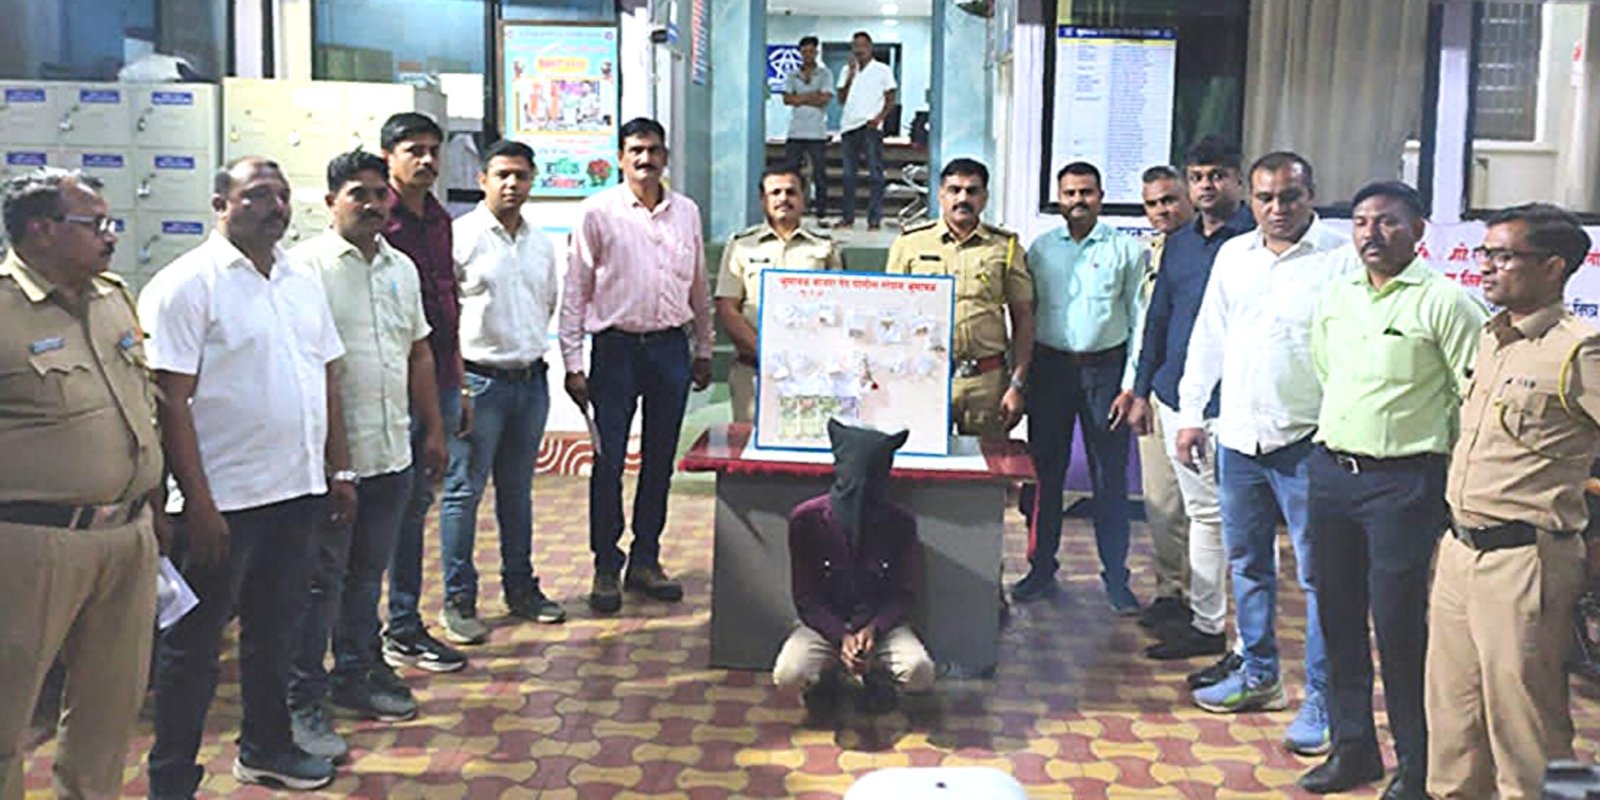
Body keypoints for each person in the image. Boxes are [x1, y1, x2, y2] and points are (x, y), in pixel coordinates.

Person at [141, 157, 351, 793]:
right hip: (220, 504)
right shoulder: (186, 285)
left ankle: (266, 748)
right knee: (193, 648)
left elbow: (326, 376)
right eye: (257, 194)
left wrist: (338, 468)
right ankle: (172, 777)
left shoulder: (299, 278)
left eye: (282, 195)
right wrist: (198, 503)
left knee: (275, 634)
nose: (274, 207)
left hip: (296, 492)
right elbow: (170, 402)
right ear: (220, 205)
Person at [1296, 181, 1485, 798]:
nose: (1371, 234)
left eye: (1387, 222)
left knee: (1399, 627)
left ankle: (1418, 766)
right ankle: (1353, 750)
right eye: (1360, 222)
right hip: (1332, 475)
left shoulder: (1445, 302)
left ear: (1418, 230)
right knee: (1337, 619)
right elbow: (1327, 371)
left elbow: (1474, 396)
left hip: (1403, 484)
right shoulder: (1337, 296)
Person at [1175, 151, 1350, 757]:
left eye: (1290, 196)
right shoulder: (1234, 255)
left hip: (1309, 442)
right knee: (1247, 564)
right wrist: (1191, 414)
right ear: (1250, 199)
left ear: (1312, 196)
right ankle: (1259, 675)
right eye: (1266, 197)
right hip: (1239, 440)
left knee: (1321, 576)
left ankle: (1324, 698)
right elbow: (1208, 337)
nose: (1277, 209)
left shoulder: (1341, 259)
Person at [1426, 203, 1600, 800]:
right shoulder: (1491, 336)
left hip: (1526, 561)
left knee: (1529, 727)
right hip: (1459, 551)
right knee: (1453, 720)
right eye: (1485, 253)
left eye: (1504, 256)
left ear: (1553, 267)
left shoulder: (1581, 350)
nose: (1487, 267)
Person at [0, 169, 164, 799]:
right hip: (32, 546)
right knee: (7, 712)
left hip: (128, 536)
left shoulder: (112, 297)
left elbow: (144, 407)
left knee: (109, 709)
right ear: (41, 230)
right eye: (95, 224)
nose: (110, 235)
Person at [287, 150, 449, 759]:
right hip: (331, 461)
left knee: (365, 577)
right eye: (359, 193)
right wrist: (334, 463)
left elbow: (419, 352)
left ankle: (356, 671)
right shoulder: (304, 268)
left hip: (391, 450)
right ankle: (302, 698)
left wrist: (433, 430)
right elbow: (305, 367)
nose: (373, 204)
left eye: (381, 194)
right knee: (318, 583)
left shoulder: (399, 266)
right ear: (331, 201)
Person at [560, 117, 714, 614]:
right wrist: (572, 362)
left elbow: (699, 285)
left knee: (659, 459)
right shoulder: (596, 212)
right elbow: (576, 289)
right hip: (615, 351)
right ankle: (606, 564)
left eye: (654, 150)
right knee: (608, 462)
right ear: (621, 158)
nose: (646, 159)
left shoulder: (686, 212)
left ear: (665, 156)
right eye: (636, 151)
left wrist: (704, 348)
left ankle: (646, 559)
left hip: (670, 350)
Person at [1125, 137, 1255, 677]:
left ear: (1238, 181)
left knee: (1232, 522)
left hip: (1236, 403)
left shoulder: (1254, 242)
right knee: (1196, 515)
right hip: (1176, 396)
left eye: (1217, 175)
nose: (1206, 185)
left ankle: (1239, 636)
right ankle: (1202, 621)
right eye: (1198, 176)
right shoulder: (1178, 244)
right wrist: (1140, 389)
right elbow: (1156, 321)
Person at [437, 139, 566, 645]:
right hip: (478, 383)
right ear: (482, 180)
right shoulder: (460, 237)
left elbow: (547, 303)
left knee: (517, 491)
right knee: (463, 492)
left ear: (532, 181)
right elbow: (445, 317)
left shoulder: (541, 243)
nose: (512, 184)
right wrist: (458, 386)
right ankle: (458, 599)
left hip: (530, 382)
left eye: (521, 175)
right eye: (502, 175)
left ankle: (521, 588)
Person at [1014, 161, 1146, 614]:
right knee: (1045, 476)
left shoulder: (1125, 249)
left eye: (1086, 192)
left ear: (1101, 196)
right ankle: (1040, 568)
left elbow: (1139, 319)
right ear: (1058, 198)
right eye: (1069, 193)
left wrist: (1129, 386)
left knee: (1109, 480)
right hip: (1050, 371)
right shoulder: (1041, 249)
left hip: (1105, 373)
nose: (1077, 201)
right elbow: (1026, 316)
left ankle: (1116, 579)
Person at [377, 112, 470, 674]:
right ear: (387, 156)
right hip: (389, 387)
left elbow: (446, 310)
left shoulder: (438, 220)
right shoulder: (378, 221)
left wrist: (457, 384)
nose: (428, 160)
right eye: (415, 149)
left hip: (438, 380)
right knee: (386, 509)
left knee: (416, 504)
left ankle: (404, 624)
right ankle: (379, 632)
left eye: (435, 149)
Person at [773, 419, 935, 715]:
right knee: (789, 674)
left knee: (919, 672)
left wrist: (874, 629)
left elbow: (903, 593)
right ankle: (827, 676)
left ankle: (877, 677)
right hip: (824, 627)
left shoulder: (900, 523)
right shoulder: (806, 520)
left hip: (880, 628)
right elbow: (806, 598)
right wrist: (841, 636)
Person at [885, 158, 1032, 438]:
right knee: (921, 458)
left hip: (986, 382)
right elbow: (891, 314)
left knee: (985, 460)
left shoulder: (1005, 247)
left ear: (984, 197)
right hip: (925, 376)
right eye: (954, 190)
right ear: (940, 194)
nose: (963, 198)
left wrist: (1016, 384)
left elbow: (1023, 317)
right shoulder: (910, 244)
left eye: (972, 191)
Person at [716, 166, 844, 422]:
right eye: (775, 193)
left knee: (805, 440)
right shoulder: (742, 245)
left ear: (803, 199)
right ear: (763, 200)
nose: (783, 198)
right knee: (750, 441)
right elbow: (727, 307)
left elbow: (838, 307)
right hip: (754, 368)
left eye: (791, 192)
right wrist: (764, 351)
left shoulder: (825, 247)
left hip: (811, 372)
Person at [1131, 164, 1195, 634]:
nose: (1162, 211)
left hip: (1200, 398)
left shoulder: (1216, 250)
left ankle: (1199, 601)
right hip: (1156, 390)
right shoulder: (1150, 253)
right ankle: (1169, 590)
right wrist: (1138, 390)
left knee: (1200, 509)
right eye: (1153, 204)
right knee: (1161, 503)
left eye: (1170, 200)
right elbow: (1146, 327)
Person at [834, 31, 897, 232]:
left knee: (875, 175)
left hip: (870, 127)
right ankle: (847, 218)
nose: (858, 50)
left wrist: (879, 118)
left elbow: (891, 98)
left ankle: (874, 220)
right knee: (848, 175)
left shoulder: (882, 70)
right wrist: (851, 76)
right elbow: (841, 99)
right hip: (849, 127)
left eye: (862, 45)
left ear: (870, 47)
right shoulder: (846, 70)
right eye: (855, 46)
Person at [782, 36, 834, 220]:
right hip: (795, 131)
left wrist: (800, 97)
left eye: (811, 51)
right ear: (800, 53)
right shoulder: (792, 75)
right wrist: (813, 95)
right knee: (791, 174)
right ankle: (793, 209)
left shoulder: (825, 74)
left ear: (816, 52)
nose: (808, 55)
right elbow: (787, 99)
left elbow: (824, 99)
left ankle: (821, 211)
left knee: (820, 174)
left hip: (817, 133)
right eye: (804, 51)